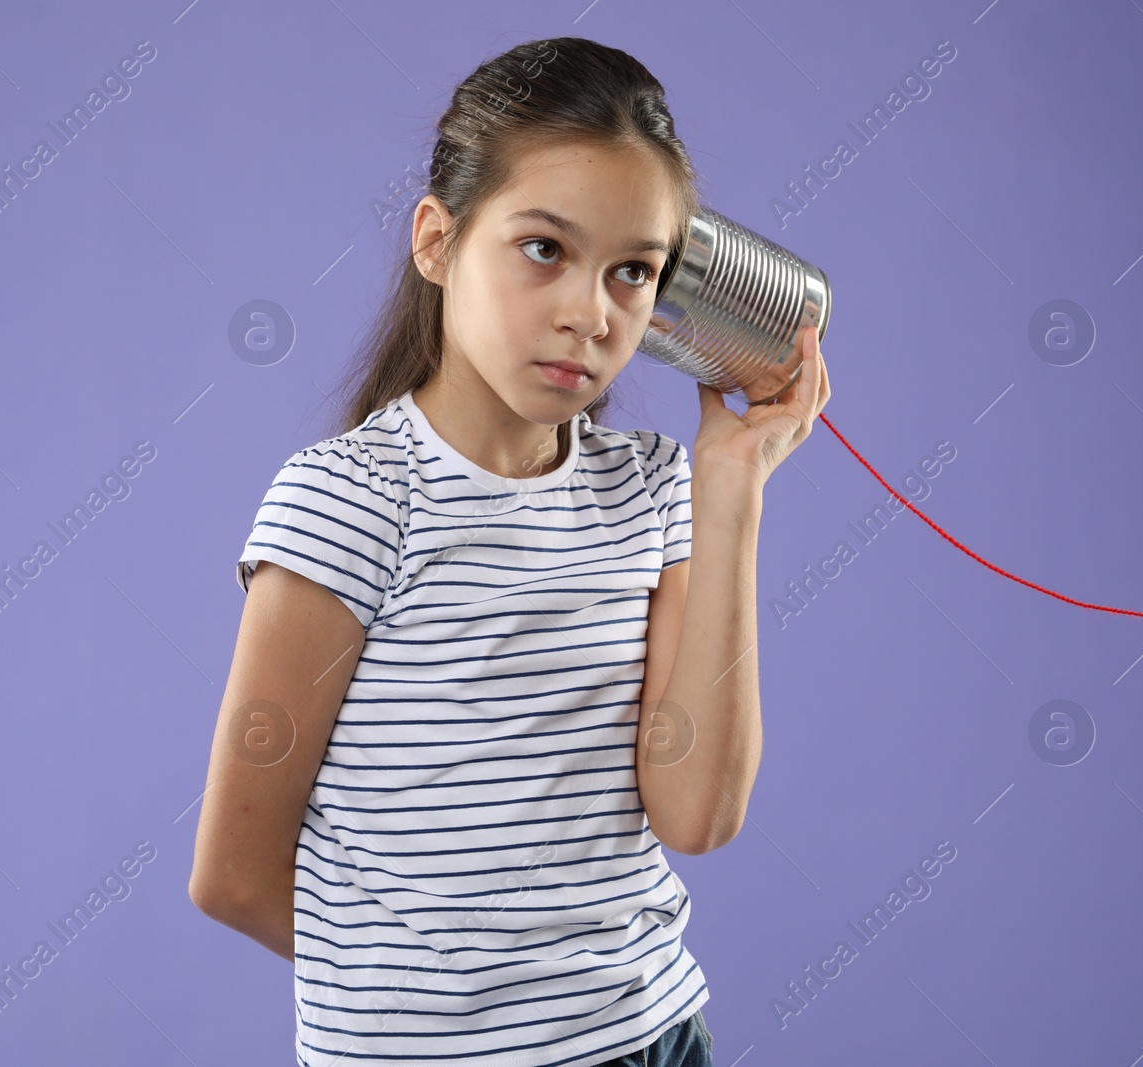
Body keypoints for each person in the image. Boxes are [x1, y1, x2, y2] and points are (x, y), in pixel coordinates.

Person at [188, 35, 831, 1067]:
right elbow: (233, 872)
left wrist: (732, 485)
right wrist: (443, 1017)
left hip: (650, 1037)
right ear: (437, 241)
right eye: (544, 248)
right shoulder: (347, 504)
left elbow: (697, 811)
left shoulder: (659, 487)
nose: (589, 312)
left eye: (634, 271)